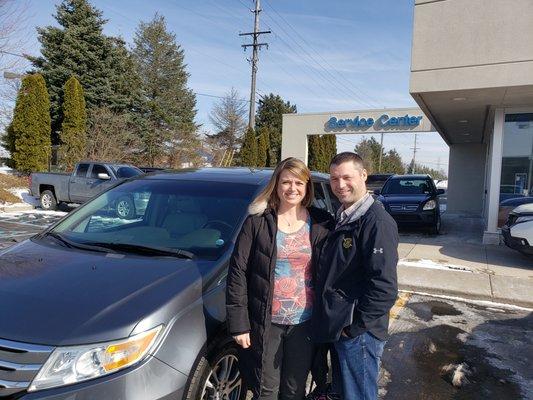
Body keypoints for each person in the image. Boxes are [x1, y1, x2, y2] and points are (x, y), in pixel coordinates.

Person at [226, 157, 332, 400]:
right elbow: (238, 272)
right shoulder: (257, 222)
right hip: (266, 322)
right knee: (266, 389)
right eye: (286, 182)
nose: (292, 188)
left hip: (304, 322)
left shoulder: (321, 223)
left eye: (298, 182)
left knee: (294, 389)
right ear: (276, 184)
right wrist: (239, 323)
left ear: (307, 187)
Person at [312, 152, 399, 400]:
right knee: (343, 393)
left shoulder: (376, 223)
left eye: (347, 177)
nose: (340, 185)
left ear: (363, 175)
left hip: (359, 334)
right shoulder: (344, 216)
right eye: (334, 179)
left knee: (358, 395)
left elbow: (384, 287)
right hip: (341, 327)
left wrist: (356, 328)